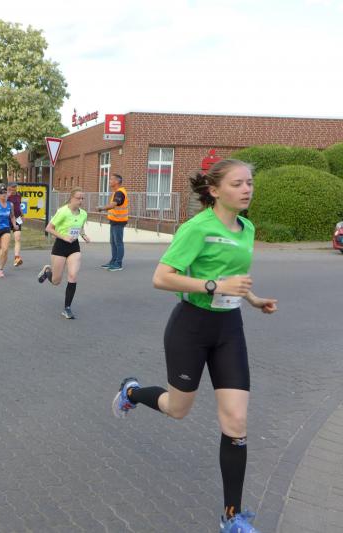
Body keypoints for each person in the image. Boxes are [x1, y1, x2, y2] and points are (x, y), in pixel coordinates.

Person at [111, 159, 277, 533]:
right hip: (191, 327)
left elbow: (236, 276)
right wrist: (213, 286)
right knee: (177, 409)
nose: (247, 189)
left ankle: (232, 516)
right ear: (215, 190)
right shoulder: (197, 228)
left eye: (250, 183)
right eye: (237, 183)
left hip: (230, 328)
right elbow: (161, 278)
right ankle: (132, 392)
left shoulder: (247, 227)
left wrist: (253, 299)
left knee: (236, 421)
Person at [37, 188, 91, 319]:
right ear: (71, 198)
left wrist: (83, 235)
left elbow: (80, 227)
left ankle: (67, 308)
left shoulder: (83, 213)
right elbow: (49, 228)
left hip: (74, 247)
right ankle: (47, 271)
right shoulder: (62, 211)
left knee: (73, 276)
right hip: (60, 246)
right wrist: (64, 237)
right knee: (56, 281)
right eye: (78, 198)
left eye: (82, 198)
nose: (81, 201)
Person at [97, 173, 128, 271]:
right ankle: (113, 261)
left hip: (119, 221)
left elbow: (113, 205)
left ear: (117, 181)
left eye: (111, 179)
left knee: (118, 243)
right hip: (114, 221)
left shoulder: (120, 193)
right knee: (113, 242)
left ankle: (118, 264)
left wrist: (101, 208)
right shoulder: (116, 192)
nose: (109, 181)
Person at [7, 182, 24, 266]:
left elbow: (19, 205)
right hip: (7, 219)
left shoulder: (18, 195)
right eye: (12, 189)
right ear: (9, 188)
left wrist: (22, 213)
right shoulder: (5, 196)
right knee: (6, 240)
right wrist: (7, 196)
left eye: (15, 189)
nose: (13, 191)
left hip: (17, 219)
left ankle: (17, 258)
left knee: (18, 238)